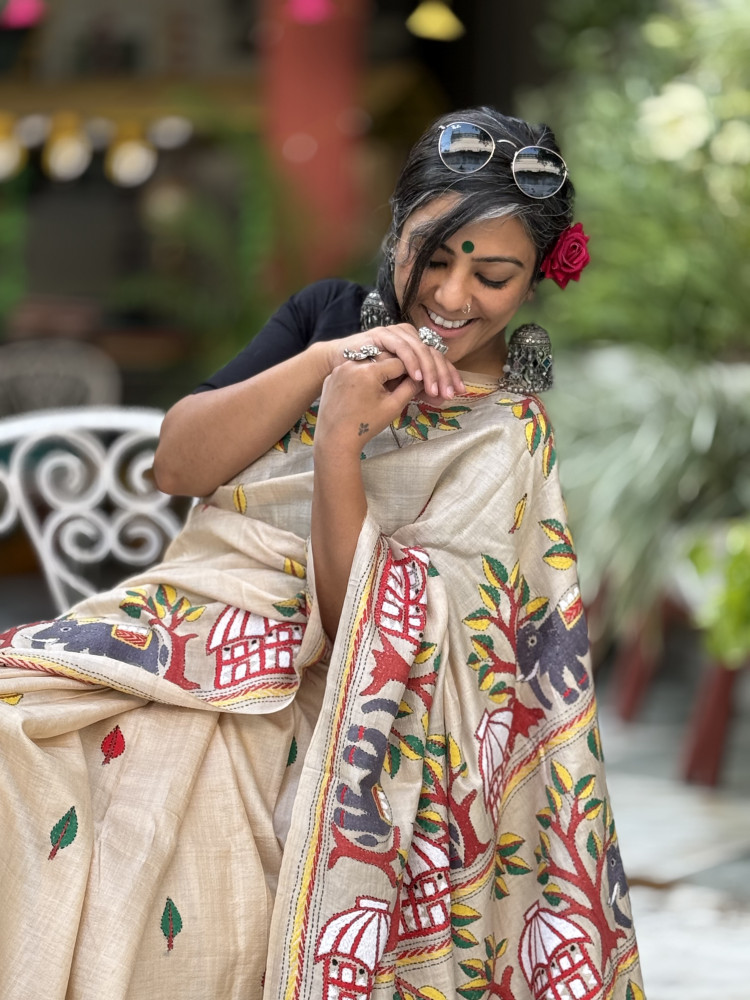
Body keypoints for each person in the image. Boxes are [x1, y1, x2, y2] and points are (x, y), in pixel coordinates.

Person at [0, 108, 643, 1000]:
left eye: (493, 276)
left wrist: (341, 440)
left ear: (536, 280)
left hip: (332, 700)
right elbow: (179, 464)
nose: (452, 297)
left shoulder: (505, 432)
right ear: (396, 229)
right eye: (433, 255)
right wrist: (326, 367)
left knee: (144, 814)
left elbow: (370, 636)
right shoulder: (327, 316)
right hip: (184, 620)